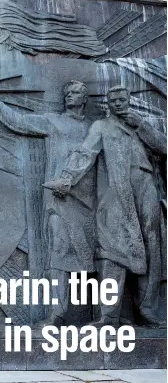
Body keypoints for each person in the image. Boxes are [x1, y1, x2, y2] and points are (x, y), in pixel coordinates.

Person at [0, 80, 97, 327]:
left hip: (90, 202)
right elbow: (20, 122)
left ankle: (106, 317)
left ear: (85, 99)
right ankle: (56, 313)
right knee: (58, 253)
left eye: (77, 92)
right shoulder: (53, 122)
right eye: (67, 92)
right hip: (58, 200)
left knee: (95, 258)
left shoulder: (94, 128)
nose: (71, 96)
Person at [45, 86, 166, 327]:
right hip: (116, 189)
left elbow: (163, 148)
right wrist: (68, 178)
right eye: (114, 100)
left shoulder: (142, 124)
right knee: (112, 249)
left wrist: (142, 125)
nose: (118, 104)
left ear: (128, 101)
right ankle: (108, 315)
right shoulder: (101, 126)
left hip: (145, 186)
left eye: (122, 99)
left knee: (152, 248)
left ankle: (148, 309)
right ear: (108, 104)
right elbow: (85, 153)